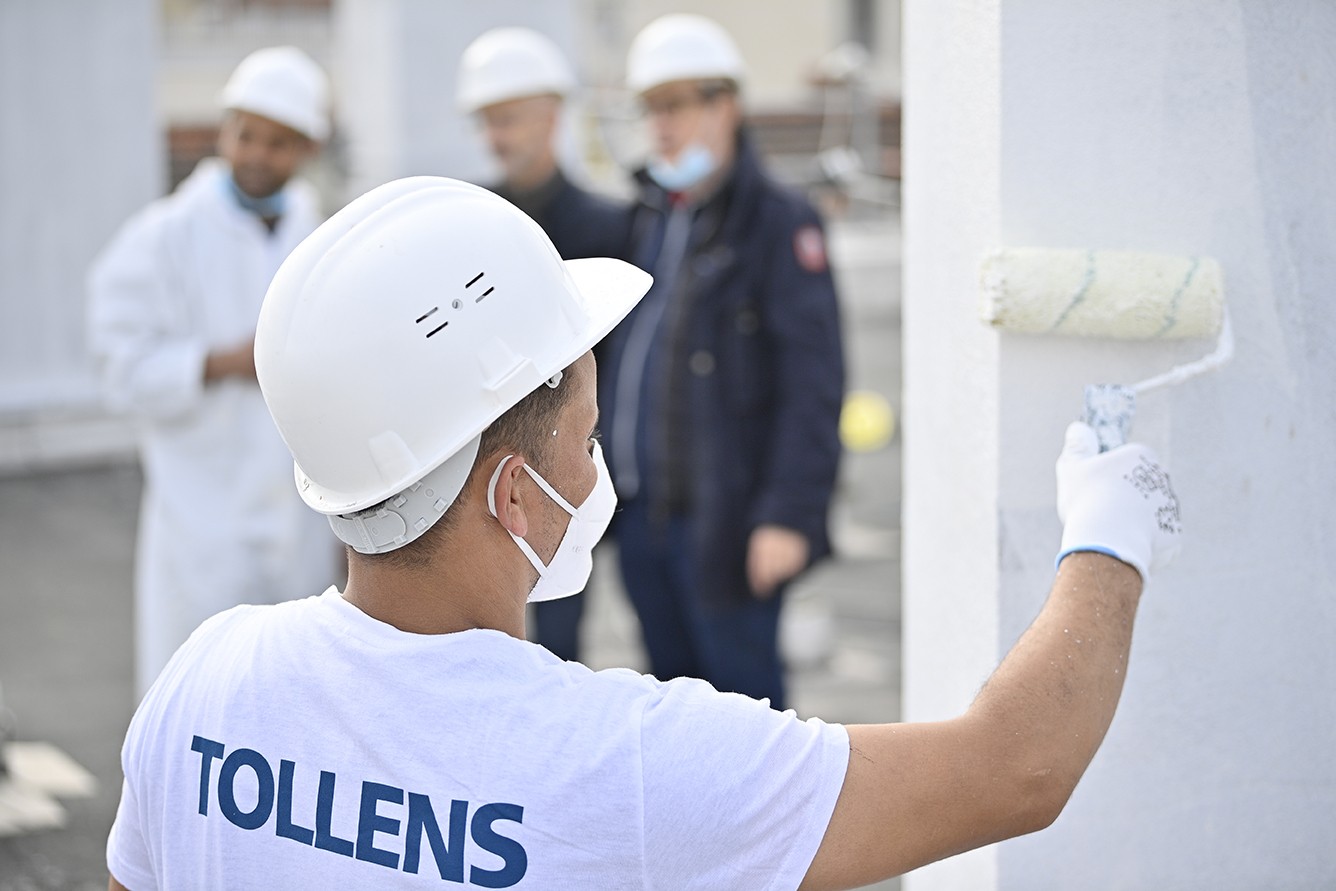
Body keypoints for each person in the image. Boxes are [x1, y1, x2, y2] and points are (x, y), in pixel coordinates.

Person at [105, 176, 1182, 890]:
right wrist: (1107, 537)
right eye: (585, 431)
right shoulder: (612, 763)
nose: (596, 461)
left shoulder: (205, 682)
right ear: (512, 497)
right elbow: (1015, 771)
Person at [597, 14, 845, 708]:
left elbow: (814, 384)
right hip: (645, 521)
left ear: (726, 103)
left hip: (729, 526)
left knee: (745, 717)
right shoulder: (650, 218)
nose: (662, 125)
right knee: (672, 717)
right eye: (652, 108)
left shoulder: (777, 222)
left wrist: (788, 516)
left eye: (677, 104)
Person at [86, 46, 340, 697]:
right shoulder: (162, 236)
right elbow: (119, 369)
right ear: (225, 130)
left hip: (300, 528)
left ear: (307, 147)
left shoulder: (318, 235)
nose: (257, 154)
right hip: (203, 523)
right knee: (198, 697)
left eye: (279, 142)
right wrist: (220, 361)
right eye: (246, 134)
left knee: (293, 697)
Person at [456, 26, 629, 661]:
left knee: (576, 640)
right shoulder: (475, 221)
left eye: (508, 117)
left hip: (592, 455)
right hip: (500, 472)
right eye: (486, 121)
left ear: (552, 115)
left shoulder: (611, 224)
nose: (496, 135)